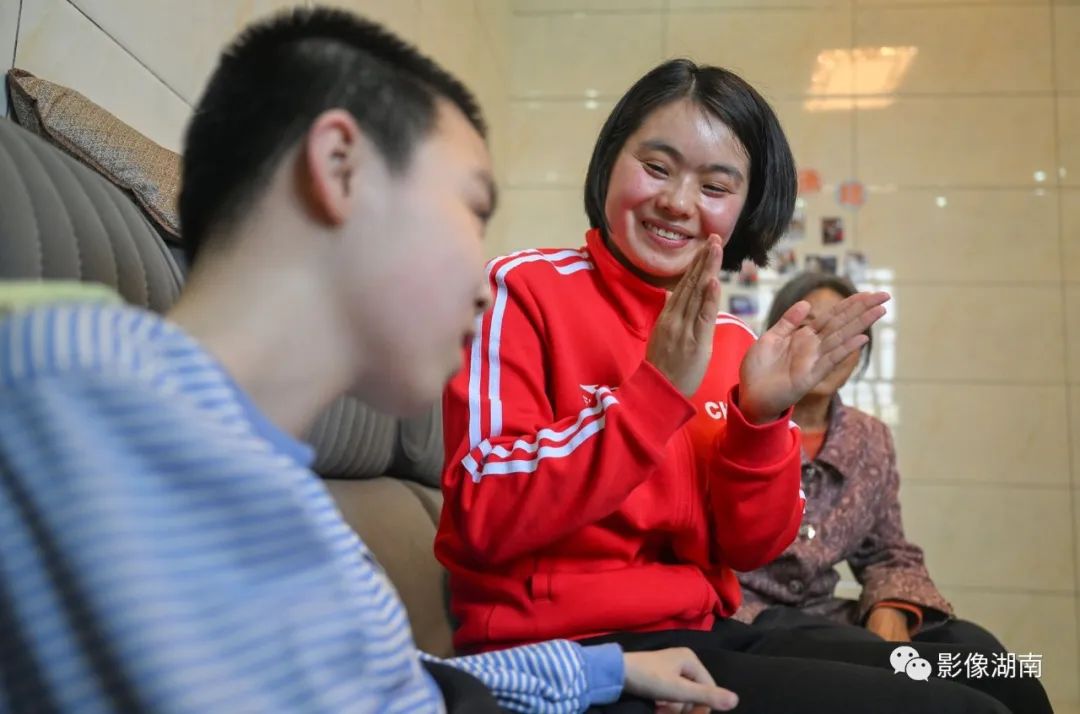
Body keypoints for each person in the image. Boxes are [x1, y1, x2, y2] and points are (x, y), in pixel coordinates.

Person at [0, 9, 741, 713]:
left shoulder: (295, 516)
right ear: (338, 171)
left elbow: (394, 687)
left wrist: (599, 672)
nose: (483, 283)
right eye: (469, 211)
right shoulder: (57, 388)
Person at [437, 59, 1051, 713]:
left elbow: (751, 547)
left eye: (715, 185)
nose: (678, 202)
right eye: (657, 166)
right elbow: (481, 514)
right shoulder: (521, 289)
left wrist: (760, 418)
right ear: (610, 161)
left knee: (1001, 676)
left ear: (744, 206)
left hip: (707, 631)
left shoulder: (732, 342)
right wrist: (654, 393)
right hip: (574, 648)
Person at [736, 271, 1009, 655]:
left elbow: (887, 551)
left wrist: (891, 607)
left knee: (975, 650)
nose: (826, 347)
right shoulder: (739, 418)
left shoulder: (869, 439)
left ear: (861, 352)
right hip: (741, 619)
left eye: (845, 333)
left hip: (821, 616)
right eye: (810, 329)